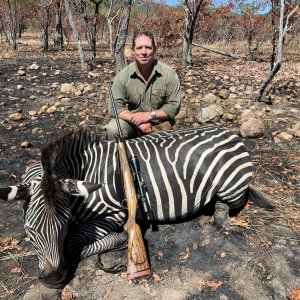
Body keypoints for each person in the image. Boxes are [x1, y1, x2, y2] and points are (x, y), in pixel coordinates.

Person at [105, 30, 181, 141]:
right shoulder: (122, 77)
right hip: (131, 123)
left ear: (154, 50)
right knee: (112, 130)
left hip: (159, 123)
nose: (144, 52)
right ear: (133, 51)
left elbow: (174, 106)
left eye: (148, 47)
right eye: (139, 48)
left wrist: (149, 115)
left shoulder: (169, 74)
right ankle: (119, 158)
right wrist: (137, 120)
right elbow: (115, 108)